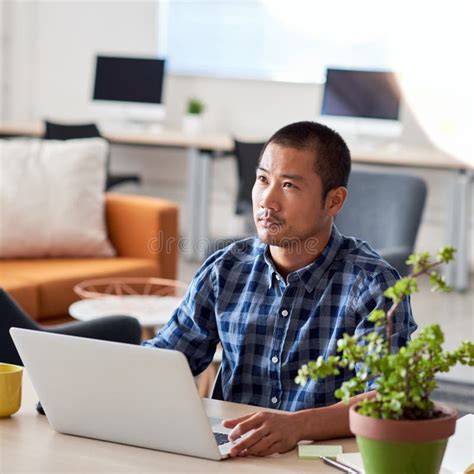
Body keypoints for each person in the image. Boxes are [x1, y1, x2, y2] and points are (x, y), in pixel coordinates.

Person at [142, 121, 417, 457]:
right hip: (233, 454)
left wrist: (298, 425)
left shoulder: (373, 284)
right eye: (262, 180)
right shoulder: (226, 268)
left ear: (334, 201)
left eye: (288, 185)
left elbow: (388, 397)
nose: (267, 201)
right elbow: (169, 356)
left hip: (319, 459)